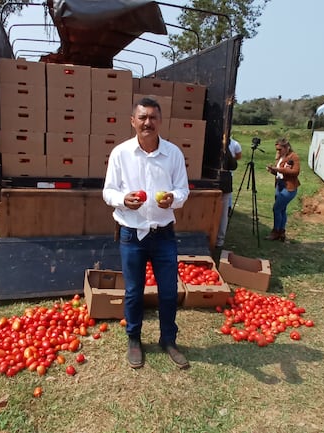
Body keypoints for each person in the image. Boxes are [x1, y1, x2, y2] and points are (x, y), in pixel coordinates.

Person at [102, 97, 190, 370]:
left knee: (168, 291)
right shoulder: (121, 153)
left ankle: (168, 339)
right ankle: (134, 340)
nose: (147, 122)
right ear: (133, 121)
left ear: (160, 121)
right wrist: (123, 200)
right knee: (133, 291)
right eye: (142, 117)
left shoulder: (173, 154)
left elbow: (183, 191)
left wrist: (172, 199)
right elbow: (108, 191)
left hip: (163, 234)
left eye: (153, 117)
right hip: (131, 234)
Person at [265, 138, 300, 241]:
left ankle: (276, 232)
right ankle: (281, 232)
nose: (278, 152)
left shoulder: (294, 157)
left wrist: (278, 169)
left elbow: (295, 172)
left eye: (280, 149)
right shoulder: (281, 157)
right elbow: (280, 173)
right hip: (280, 185)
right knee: (282, 209)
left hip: (289, 187)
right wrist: (272, 170)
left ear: (286, 147)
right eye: (277, 149)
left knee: (276, 208)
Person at [216, 137, 242, 247]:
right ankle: (220, 240)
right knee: (223, 213)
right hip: (224, 180)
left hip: (221, 180)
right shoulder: (226, 148)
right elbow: (234, 165)